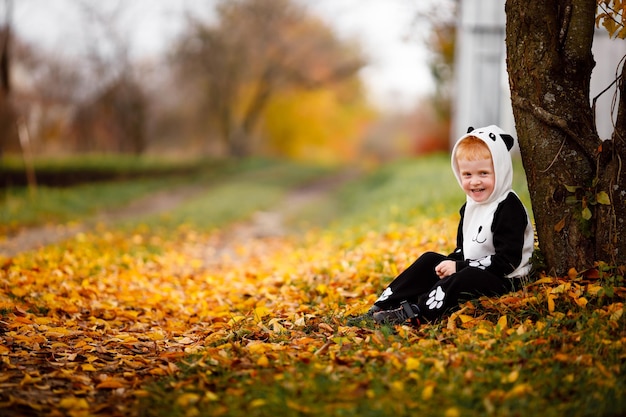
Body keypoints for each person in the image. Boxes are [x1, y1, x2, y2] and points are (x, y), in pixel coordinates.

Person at [353, 125, 534, 326]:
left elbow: (507, 261)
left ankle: (417, 313)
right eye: (467, 175)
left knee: (463, 277)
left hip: (505, 279)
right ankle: (384, 305)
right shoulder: (471, 206)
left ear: (500, 170)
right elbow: (462, 249)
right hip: (470, 268)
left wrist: (459, 266)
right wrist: (450, 264)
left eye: (483, 173)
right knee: (430, 260)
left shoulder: (508, 206)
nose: (475, 182)